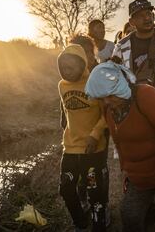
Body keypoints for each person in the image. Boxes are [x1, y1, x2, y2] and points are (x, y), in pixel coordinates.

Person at [84, 61, 155, 232]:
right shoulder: (110, 109)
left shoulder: (146, 96)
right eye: (102, 98)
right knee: (129, 214)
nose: (107, 102)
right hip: (141, 175)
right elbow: (120, 143)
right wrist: (125, 168)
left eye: (111, 95)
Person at [57, 44, 109, 231]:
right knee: (65, 189)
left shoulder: (96, 83)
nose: (67, 71)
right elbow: (65, 112)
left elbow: (107, 114)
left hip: (93, 150)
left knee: (96, 195)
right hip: (70, 148)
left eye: (71, 67)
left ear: (82, 64)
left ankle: (99, 226)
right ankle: (80, 223)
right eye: (63, 67)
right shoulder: (61, 86)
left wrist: (95, 135)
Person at [112, 0, 155, 92]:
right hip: (142, 100)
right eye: (141, 16)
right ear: (132, 22)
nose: (147, 18)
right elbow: (116, 78)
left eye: (148, 13)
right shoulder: (121, 47)